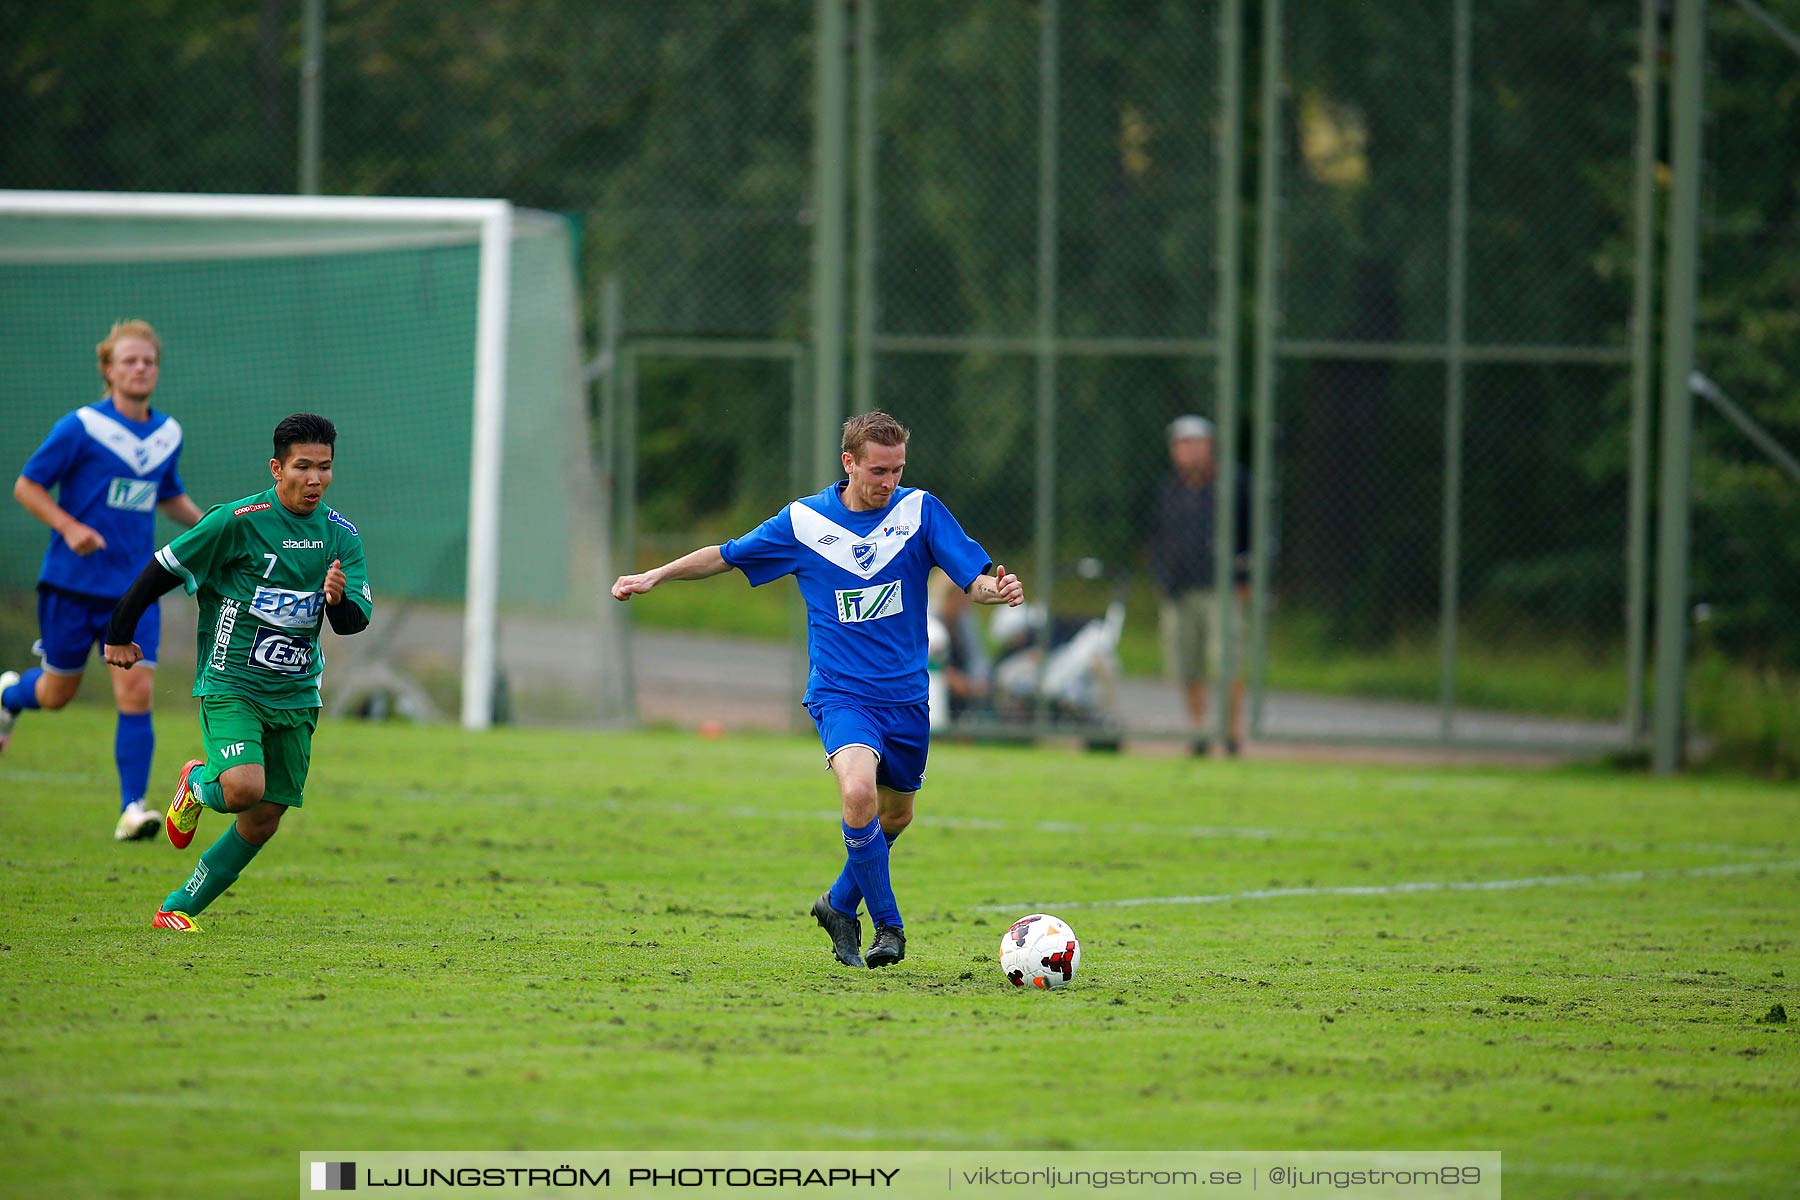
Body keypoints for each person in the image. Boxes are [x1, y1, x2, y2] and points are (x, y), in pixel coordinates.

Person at [611, 411, 1023, 969]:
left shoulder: (919, 511)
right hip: (840, 693)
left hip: (906, 699)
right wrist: (654, 575)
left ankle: (836, 904)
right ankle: (890, 930)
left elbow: (972, 579)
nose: (889, 482)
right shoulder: (805, 523)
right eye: (878, 470)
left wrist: (992, 591)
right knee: (859, 797)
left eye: (897, 469)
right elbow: (726, 555)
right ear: (849, 463)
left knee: (895, 817)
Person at [101, 413, 372, 932]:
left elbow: (353, 621)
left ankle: (176, 908)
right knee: (244, 788)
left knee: (264, 818)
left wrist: (336, 601)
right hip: (231, 683)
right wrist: (119, 631)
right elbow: (164, 566)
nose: (315, 479)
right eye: (302, 467)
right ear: (277, 468)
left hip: (296, 696)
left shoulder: (341, 537)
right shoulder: (238, 520)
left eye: (325, 468)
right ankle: (201, 784)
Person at [0, 320, 205, 840]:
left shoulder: (167, 435)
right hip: (72, 585)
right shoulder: (81, 427)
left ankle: (133, 809)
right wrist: (68, 527)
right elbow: (27, 486)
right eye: (130, 360)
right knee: (56, 693)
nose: (140, 368)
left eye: (149, 361)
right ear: (109, 369)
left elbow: (167, 494)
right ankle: (9, 696)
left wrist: (212, 529)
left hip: (136, 587)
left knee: (135, 690)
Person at [1148, 414, 1249, 754]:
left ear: (1210, 446)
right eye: (1180, 444)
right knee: (1186, 665)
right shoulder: (1169, 488)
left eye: (1193, 442)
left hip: (1221, 588)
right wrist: (1160, 575)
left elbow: (1252, 532)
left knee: (1226, 661)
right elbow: (1159, 537)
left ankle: (1231, 732)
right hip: (1181, 590)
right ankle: (1199, 730)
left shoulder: (1232, 484)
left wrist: (1245, 576)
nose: (1187, 450)